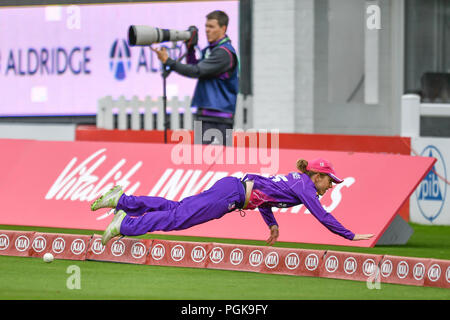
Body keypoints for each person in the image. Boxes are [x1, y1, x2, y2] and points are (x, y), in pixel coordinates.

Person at [92, 158, 374, 245]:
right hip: (232, 195)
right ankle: (125, 223)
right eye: (329, 181)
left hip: (233, 189)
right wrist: (350, 235)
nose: (329, 187)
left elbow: (265, 199)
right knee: (178, 219)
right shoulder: (307, 188)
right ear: (318, 175)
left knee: (178, 209)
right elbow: (322, 216)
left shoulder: (299, 183)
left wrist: (272, 225)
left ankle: (124, 200)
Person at [151, 10, 238, 146]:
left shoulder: (224, 53)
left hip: (218, 118)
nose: (207, 30)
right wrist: (190, 48)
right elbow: (194, 66)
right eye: (206, 26)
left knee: (216, 162)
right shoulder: (210, 50)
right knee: (202, 161)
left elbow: (197, 71)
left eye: (211, 27)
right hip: (205, 114)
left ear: (223, 28)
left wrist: (169, 61)